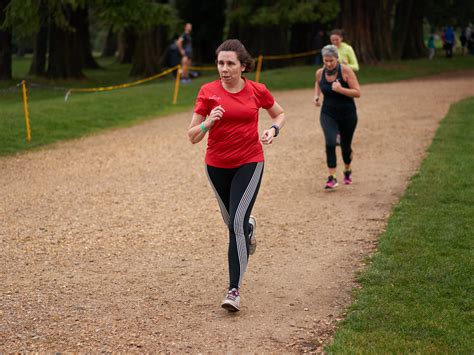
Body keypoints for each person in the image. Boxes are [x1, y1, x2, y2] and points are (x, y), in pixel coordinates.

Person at [187, 39, 285, 312]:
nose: (224, 68)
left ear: (243, 66)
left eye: (231, 63)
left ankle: (234, 290)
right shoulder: (207, 92)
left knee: (235, 225)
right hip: (216, 165)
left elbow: (279, 114)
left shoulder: (257, 90)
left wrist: (273, 130)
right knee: (235, 224)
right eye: (220, 63)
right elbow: (192, 136)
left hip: (249, 161)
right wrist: (208, 122)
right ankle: (249, 229)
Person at [313, 44, 361, 189]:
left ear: (337, 59)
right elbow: (318, 83)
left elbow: (357, 92)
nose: (328, 64)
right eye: (325, 60)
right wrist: (316, 96)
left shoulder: (346, 71)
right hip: (328, 113)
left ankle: (347, 169)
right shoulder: (320, 73)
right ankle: (332, 177)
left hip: (348, 114)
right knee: (330, 142)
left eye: (331, 61)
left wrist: (341, 89)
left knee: (346, 148)